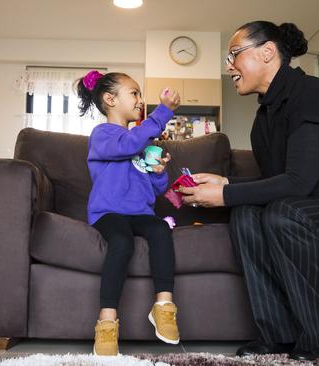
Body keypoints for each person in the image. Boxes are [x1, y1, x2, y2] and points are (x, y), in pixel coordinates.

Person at [178, 21, 319, 361]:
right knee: (247, 214)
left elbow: (298, 184)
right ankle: (276, 336)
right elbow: (279, 185)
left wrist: (225, 193)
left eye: (234, 55)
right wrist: (226, 185)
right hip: (308, 217)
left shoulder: (311, 94)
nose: (228, 66)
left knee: (282, 215)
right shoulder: (264, 121)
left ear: (268, 51)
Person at [76, 70, 182, 356]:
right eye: (134, 93)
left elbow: (155, 186)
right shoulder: (103, 136)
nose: (140, 99)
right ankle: (107, 322)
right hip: (108, 213)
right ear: (110, 99)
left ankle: (163, 305)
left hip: (140, 212)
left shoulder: (142, 142)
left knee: (160, 230)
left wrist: (158, 170)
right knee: (121, 242)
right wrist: (162, 113)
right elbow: (128, 145)